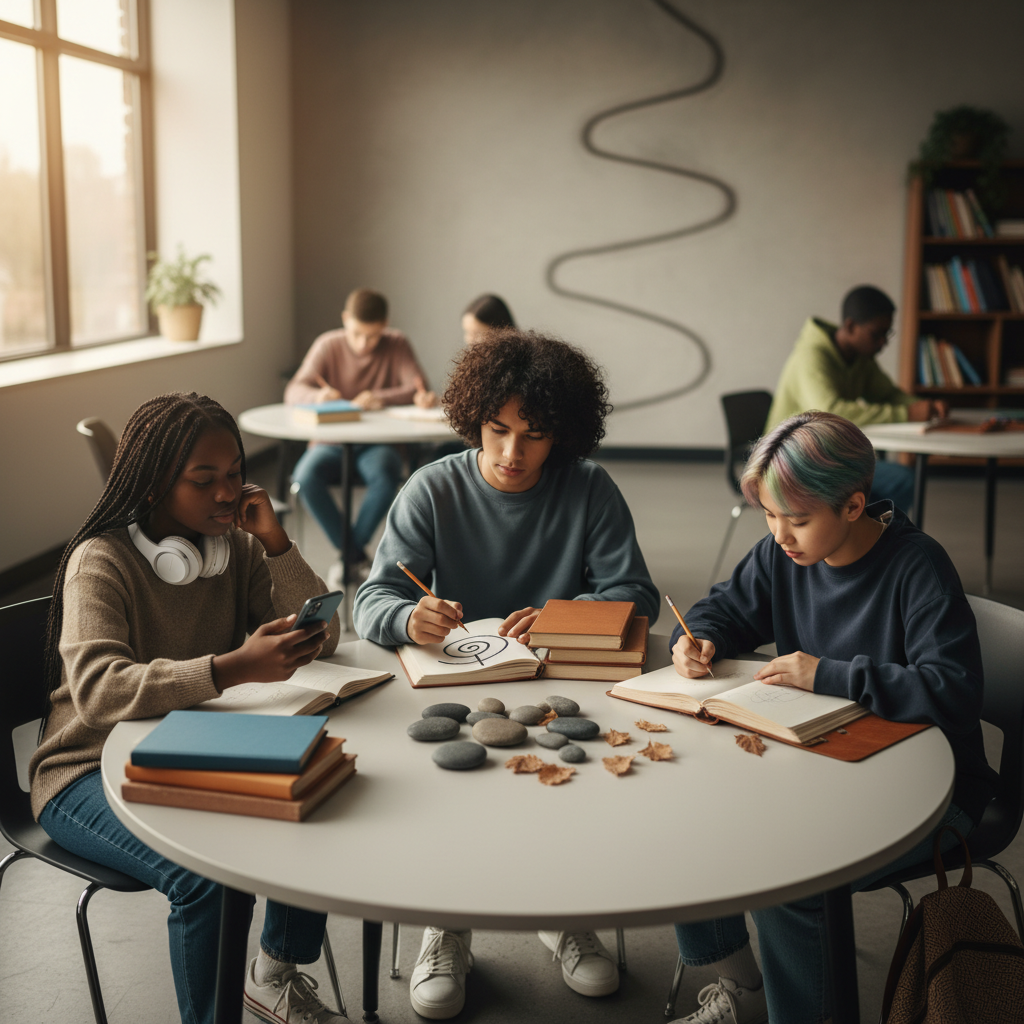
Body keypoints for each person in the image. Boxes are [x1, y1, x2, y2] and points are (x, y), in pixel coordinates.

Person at [354, 330, 659, 1019]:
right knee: (449, 780)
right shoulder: (432, 486)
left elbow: (634, 594)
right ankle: (448, 925)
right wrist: (410, 618)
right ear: (474, 422)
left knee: (575, 773)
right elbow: (370, 598)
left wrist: (561, 616)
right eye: (497, 431)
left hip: (567, 683)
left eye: (535, 435)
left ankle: (561, 911)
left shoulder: (590, 488)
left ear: (564, 436)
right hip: (459, 686)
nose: (512, 453)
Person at [666, 411, 997, 1024]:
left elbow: (953, 690)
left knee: (790, 875)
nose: (779, 534)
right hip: (821, 764)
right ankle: (738, 981)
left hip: (931, 788)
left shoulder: (917, 566)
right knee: (696, 810)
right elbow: (722, 609)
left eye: (796, 519)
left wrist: (829, 675)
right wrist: (699, 639)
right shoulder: (781, 555)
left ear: (853, 506)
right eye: (769, 515)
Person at [29, 392, 349, 1024]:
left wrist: (278, 543)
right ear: (152, 485)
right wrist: (230, 668)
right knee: (207, 877)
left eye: (235, 472)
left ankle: (274, 972)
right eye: (205, 480)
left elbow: (328, 637)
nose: (228, 493)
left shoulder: (236, 548)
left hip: (195, 745)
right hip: (86, 771)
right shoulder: (101, 560)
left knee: (316, 788)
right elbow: (97, 691)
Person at [286, 287, 431, 581]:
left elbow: (417, 387)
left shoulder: (397, 343)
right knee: (305, 476)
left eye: (373, 336)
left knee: (386, 476)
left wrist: (381, 397)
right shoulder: (328, 344)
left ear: (385, 325)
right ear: (345, 319)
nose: (364, 344)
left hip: (378, 443)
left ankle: (347, 558)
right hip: (330, 441)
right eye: (356, 334)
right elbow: (293, 390)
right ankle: (355, 557)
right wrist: (319, 396)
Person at [766, 285, 948, 514]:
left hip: (824, 453)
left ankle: (872, 542)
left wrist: (924, 406)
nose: (883, 342)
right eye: (876, 334)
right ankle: (872, 542)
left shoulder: (861, 358)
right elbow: (831, 412)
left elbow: (888, 395)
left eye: (887, 334)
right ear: (851, 326)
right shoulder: (811, 356)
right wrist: (908, 414)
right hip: (789, 457)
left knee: (891, 483)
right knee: (900, 480)